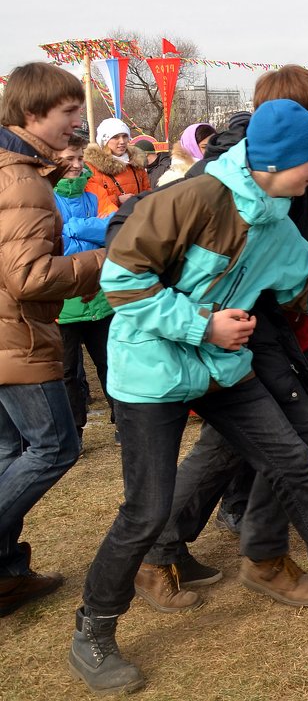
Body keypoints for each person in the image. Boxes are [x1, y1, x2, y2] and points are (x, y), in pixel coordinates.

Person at [70, 100, 308, 694]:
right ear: (279, 159)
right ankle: (93, 630)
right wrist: (202, 327)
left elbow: (306, 298)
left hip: (222, 369)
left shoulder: (279, 214)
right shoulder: (194, 199)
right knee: (146, 512)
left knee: (292, 459)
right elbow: (121, 279)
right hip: (151, 374)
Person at [0, 64, 104, 617]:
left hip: (6, 334)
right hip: (16, 336)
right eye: (68, 112)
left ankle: (7, 576)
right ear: (31, 114)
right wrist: (105, 262)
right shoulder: (20, 179)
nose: (76, 124)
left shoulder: (13, 168)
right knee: (53, 447)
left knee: (9, 451)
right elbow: (29, 276)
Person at [53, 134, 115, 447]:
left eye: (79, 159)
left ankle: (125, 424)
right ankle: (73, 434)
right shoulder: (42, 195)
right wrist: (93, 233)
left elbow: (118, 228)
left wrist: (73, 226)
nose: (76, 166)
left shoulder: (96, 189)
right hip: (61, 304)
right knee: (66, 373)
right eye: (68, 159)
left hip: (100, 297)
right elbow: (54, 245)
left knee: (111, 362)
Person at [84, 118, 151, 215]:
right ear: (105, 140)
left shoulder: (136, 164)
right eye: (115, 137)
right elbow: (90, 201)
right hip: (110, 222)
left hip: (137, 218)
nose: (122, 141)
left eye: (125, 136)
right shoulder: (91, 168)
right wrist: (117, 199)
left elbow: (147, 191)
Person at [157, 122, 215, 187]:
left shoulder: (221, 169)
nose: (211, 150)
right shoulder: (174, 178)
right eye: (204, 147)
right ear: (191, 147)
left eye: (215, 145)